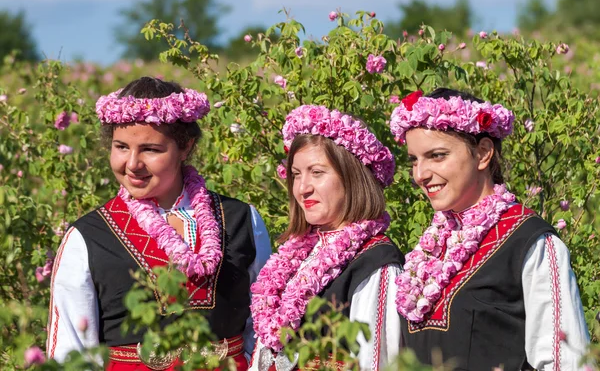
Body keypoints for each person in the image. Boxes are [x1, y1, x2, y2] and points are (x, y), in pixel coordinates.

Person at [47, 77, 271, 370]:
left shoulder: (242, 220)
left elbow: (266, 327)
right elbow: (71, 350)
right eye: (121, 147)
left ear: (185, 147)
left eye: (150, 149)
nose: (132, 164)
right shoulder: (88, 237)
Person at [389, 88, 590, 370]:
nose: (420, 174)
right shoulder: (429, 250)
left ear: (483, 154)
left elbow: (566, 361)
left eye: (436, 156)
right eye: (414, 159)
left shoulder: (529, 242)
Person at [248, 104, 405, 371]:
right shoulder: (297, 255)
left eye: (317, 173)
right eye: (296, 175)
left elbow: (375, 362)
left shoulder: (375, 262)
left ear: (352, 178)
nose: (303, 189)